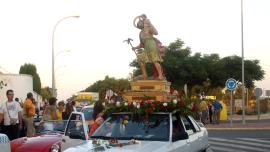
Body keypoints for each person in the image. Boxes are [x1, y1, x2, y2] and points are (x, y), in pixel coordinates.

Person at [132, 14, 164, 80]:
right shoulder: (140, 33)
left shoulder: (148, 28)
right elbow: (141, 44)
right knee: (140, 59)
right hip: (146, 48)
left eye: (140, 22)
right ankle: (144, 74)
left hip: (152, 45)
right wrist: (135, 47)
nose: (139, 24)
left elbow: (156, 33)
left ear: (143, 23)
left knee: (155, 60)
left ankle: (160, 76)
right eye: (138, 24)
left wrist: (149, 23)